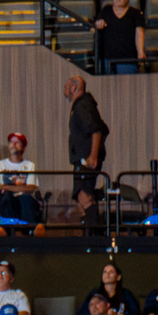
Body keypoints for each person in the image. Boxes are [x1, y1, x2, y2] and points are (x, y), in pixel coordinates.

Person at [66, 75, 109, 217]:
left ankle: (94, 235)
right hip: (83, 157)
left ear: (74, 87)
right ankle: (91, 232)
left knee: (84, 196)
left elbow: (96, 130)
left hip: (86, 159)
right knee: (86, 196)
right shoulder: (86, 105)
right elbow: (104, 128)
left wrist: (93, 156)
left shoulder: (82, 105)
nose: (65, 90)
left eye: (66, 86)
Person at [0, 132, 42, 231]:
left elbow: (30, 188)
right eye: (11, 142)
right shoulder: (1, 165)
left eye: (17, 142)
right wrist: (18, 188)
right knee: (8, 197)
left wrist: (6, 186)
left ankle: (31, 230)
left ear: (23, 147)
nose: (13, 144)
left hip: (24, 199)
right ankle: (5, 229)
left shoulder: (30, 165)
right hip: (8, 198)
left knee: (26, 197)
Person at [94, 0, 145, 74]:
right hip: (107, 58)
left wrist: (140, 52)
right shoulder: (106, 11)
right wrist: (98, 24)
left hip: (127, 58)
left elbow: (139, 32)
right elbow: (95, 26)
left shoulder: (135, 13)